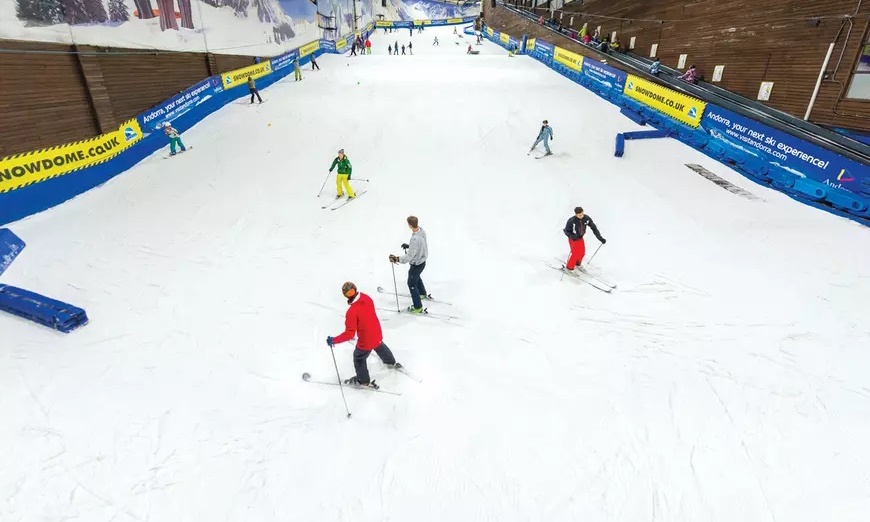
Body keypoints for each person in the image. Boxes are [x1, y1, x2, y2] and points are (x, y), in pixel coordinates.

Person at [327, 282, 402, 388]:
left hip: (365, 340)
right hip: (377, 332)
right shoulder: (367, 298)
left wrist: (334, 340)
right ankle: (390, 362)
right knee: (378, 344)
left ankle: (363, 380)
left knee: (359, 358)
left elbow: (349, 334)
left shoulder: (351, 311)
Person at [389, 216, 429, 314]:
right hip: (422, 262)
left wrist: (396, 259)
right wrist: (410, 246)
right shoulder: (421, 231)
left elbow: (408, 257)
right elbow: (419, 245)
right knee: (416, 277)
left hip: (416, 264)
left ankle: (418, 307)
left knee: (411, 283)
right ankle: (422, 294)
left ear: (410, 225)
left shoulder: (415, 239)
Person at [563, 207, 606, 271]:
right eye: (579, 215)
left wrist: (600, 238)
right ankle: (569, 268)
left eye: (582, 214)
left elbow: (594, 228)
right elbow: (566, 231)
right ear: (576, 214)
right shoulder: (571, 221)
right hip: (573, 239)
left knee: (582, 253)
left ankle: (577, 264)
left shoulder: (586, 218)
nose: (581, 216)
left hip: (580, 238)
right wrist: (572, 236)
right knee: (575, 253)